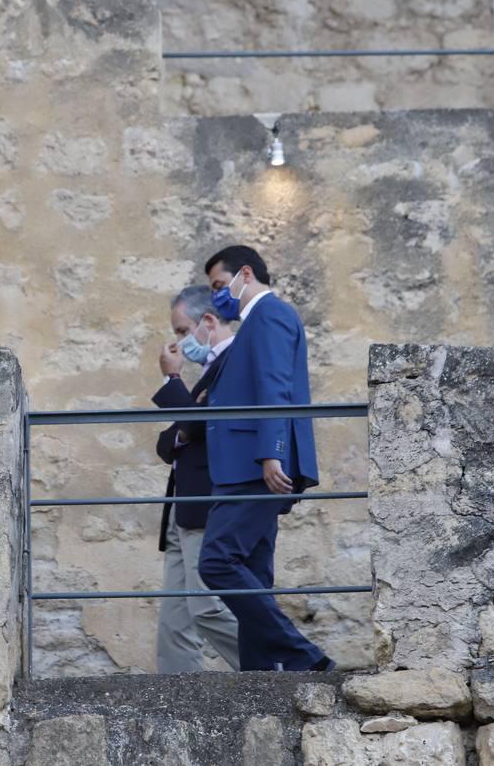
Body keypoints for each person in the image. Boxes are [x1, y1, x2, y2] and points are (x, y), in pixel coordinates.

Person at [196, 245, 333, 672]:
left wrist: (271, 455)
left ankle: (306, 659)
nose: (219, 295)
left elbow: (276, 387)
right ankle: (260, 679)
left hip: (256, 467)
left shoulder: (269, 314)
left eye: (221, 285)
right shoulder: (256, 322)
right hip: (244, 466)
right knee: (254, 575)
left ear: (246, 274)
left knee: (217, 562)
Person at [151, 286, 241, 673]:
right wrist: (187, 428)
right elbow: (167, 441)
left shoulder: (235, 361)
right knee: (175, 620)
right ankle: (175, 697)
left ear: (207, 322)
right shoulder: (208, 371)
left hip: (205, 502)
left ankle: (280, 667)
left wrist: (173, 382)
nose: (179, 342)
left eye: (182, 331)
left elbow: (195, 426)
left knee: (206, 607)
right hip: (181, 505)